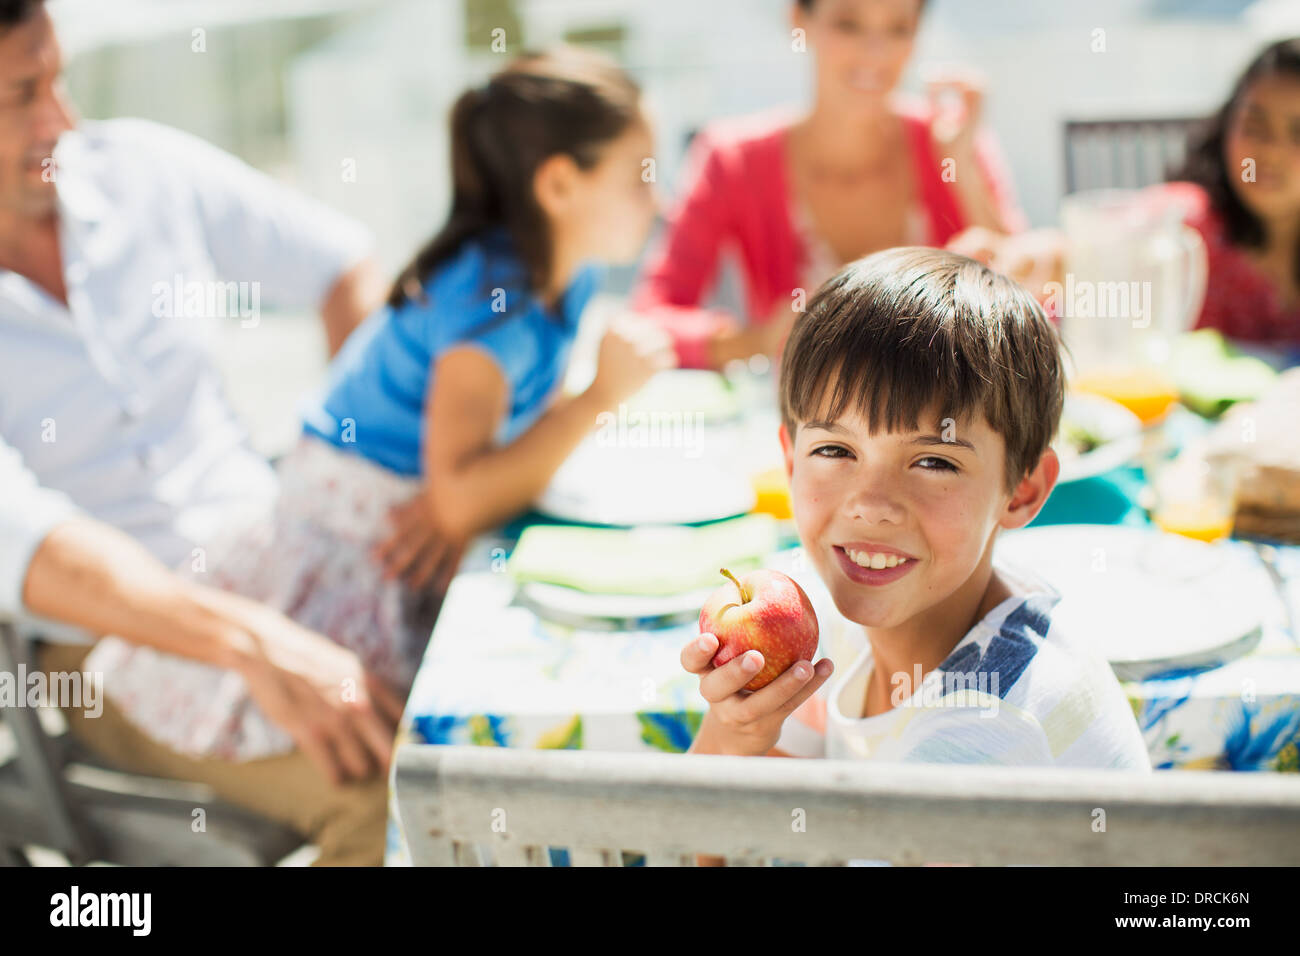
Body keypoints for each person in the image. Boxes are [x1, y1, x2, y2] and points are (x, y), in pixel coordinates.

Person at [82, 47, 674, 764]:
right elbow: (455, 500)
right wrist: (599, 399)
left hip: (399, 529)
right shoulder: (489, 310)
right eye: (641, 175)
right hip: (355, 547)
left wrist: (488, 483)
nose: (660, 198)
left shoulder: (564, 274)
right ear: (559, 184)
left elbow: (494, 457)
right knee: (422, 748)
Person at [0, 0, 406, 864]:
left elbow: (343, 263)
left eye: (59, 77)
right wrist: (256, 643)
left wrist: (345, 464)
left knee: (467, 691)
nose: (61, 119)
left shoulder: (143, 168)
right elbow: (32, 547)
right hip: (109, 640)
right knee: (393, 794)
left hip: (274, 551)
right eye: (20, 95)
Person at [681, 248, 1151, 771]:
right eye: (835, 451)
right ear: (791, 463)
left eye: (933, 461)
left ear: (1022, 490)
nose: (870, 505)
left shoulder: (983, 735)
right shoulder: (826, 623)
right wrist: (729, 736)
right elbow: (758, 817)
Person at [631, 0, 1027, 369]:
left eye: (899, 29)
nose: (876, 52)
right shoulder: (733, 160)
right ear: (799, 21)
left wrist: (964, 172)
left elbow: (1032, 310)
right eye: (848, 24)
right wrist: (753, 342)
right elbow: (649, 318)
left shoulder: (953, 140)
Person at [1160, 37, 1300, 346]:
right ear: (1226, 125)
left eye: (1298, 133)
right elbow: (1114, 232)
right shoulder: (1188, 224)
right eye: (1254, 126)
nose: (1271, 153)